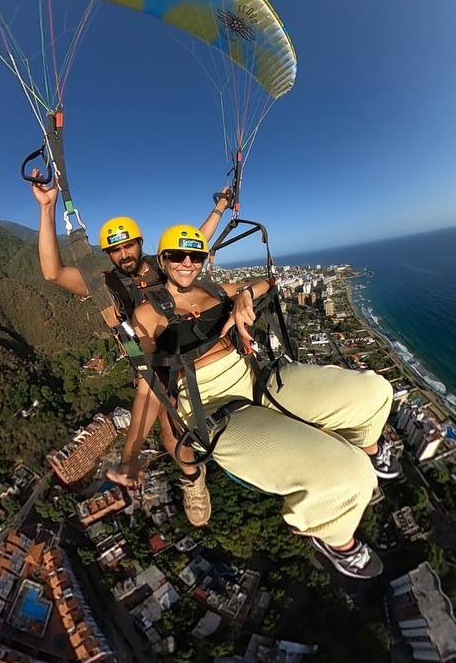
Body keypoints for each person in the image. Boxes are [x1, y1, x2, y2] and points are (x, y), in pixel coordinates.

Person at [110, 223, 401, 580]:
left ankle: (369, 446)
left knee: (376, 391)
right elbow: (147, 389)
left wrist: (245, 293)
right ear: (162, 259)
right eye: (176, 256)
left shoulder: (215, 289)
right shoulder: (147, 315)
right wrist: (130, 455)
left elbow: (270, 282)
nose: (187, 263)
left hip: (255, 377)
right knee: (351, 477)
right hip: (212, 405)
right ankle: (336, 538)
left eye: (195, 256)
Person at [30, 175, 233, 527]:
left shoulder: (163, 264)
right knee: (174, 440)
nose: (123, 254)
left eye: (128, 246)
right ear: (108, 254)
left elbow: (197, 239)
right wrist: (47, 208)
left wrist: (218, 208)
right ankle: (193, 479)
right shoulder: (105, 286)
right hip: (158, 361)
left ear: (140, 244)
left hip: (197, 345)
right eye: (115, 249)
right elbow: (53, 272)